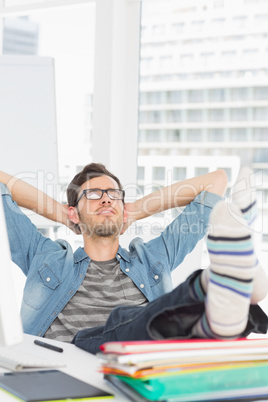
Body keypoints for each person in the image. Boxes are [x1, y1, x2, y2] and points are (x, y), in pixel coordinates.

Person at [0, 164, 267, 355]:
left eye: (113, 194)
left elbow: (216, 181)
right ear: (74, 212)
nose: (106, 199)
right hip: (71, 368)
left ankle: (221, 297)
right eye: (93, 194)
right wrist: (62, 214)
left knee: (154, 321)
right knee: (123, 322)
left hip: (139, 373)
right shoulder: (46, 257)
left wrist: (136, 210)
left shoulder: (150, 259)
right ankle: (212, 286)